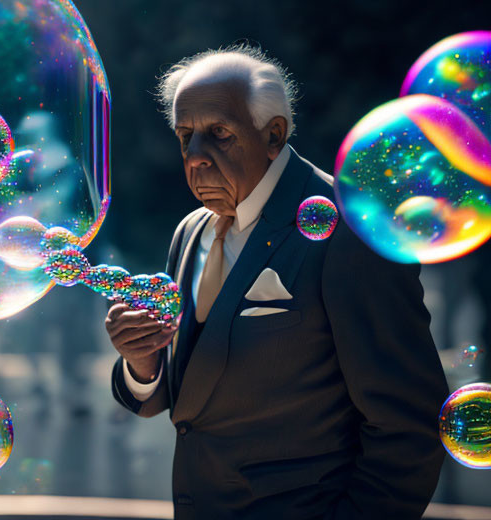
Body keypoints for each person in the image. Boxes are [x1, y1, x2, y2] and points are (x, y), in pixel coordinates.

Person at [107, 45, 449, 519]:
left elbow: (408, 427)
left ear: (274, 134)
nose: (196, 158)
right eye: (186, 136)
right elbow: (189, 402)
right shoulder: (190, 232)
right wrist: (142, 364)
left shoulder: (351, 232)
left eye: (218, 134)